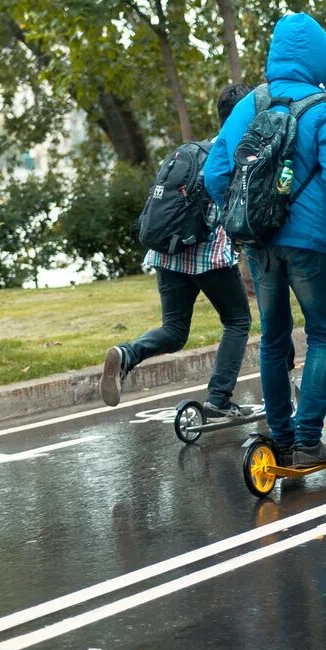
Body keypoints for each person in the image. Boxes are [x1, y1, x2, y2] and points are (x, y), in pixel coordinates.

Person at [204, 13, 326, 467]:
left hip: (257, 242)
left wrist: (241, 210)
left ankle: (279, 437)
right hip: (308, 242)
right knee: (321, 334)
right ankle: (306, 442)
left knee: (273, 338)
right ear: (321, 56)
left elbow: (214, 171)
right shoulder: (324, 109)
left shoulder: (249, 106)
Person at [101, 84, 254, 415]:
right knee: (238, 320)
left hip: (167, 253)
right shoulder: (239, 154)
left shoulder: (197, 149)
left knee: (173, 330)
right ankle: (218, 399)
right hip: (207, 255)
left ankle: (127, 353)